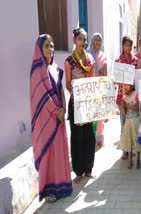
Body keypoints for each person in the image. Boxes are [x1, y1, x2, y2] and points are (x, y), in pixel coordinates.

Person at [30, 34, 72, 203]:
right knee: (48, 154)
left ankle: (62, 186)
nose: (50, 49)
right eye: (47, 46)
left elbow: (61, 91)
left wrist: (63, 109)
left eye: (52, 46)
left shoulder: (55, 68)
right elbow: (42, 95)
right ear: (40, 48)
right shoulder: (37, 71)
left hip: (59, 117)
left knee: (60, 151)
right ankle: (48, 190)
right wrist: (57, 111)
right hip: (47, 119)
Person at [65, 28, 96, 184]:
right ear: (74, 40)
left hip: (88, 104)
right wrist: (77, 93)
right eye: (80, 39)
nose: (83, 42)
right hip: (76, 104)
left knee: (89, 137)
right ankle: (78, 171)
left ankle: (88, 169)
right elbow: (68, 84)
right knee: (77, 138)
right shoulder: (69, 61)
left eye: (84, 39)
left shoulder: (89, 59)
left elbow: (94, 80)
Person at [115, 35, 138, 160]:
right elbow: (117, 81)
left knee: (132, 123)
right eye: (126, 45)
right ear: (122, 46)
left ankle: (130, 148)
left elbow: (137, 78)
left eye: (130, 45)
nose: (128, 47)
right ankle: (124, 150)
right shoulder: (118, 62)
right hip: (122, 97)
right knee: (123, 124)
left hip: (132, 97)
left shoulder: (135, 61)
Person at [87, 32, 108, 148]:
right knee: (90, 114)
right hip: (89, 90)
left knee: (99, 114)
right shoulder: (87, 54)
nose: (98, 42)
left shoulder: (103, 57)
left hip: (99, 90)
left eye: (100, 40)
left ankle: (99, 138)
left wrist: (105, 91)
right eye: (96, 40)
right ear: (92, 41)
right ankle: (90, 137)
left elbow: (105, 75)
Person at [120, 84, 141, 169]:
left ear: (132, 86)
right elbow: (124, 112)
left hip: (136, 121)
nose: (125, 87)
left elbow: (136, 108)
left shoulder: (136, 94)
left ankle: (137, 160)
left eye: (127, 85)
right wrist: (123, 105)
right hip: (128, 121)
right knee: (129, 140)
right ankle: (130, 161)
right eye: (124, 85)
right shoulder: (124, 97)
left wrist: (127, 105)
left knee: (136, 139)